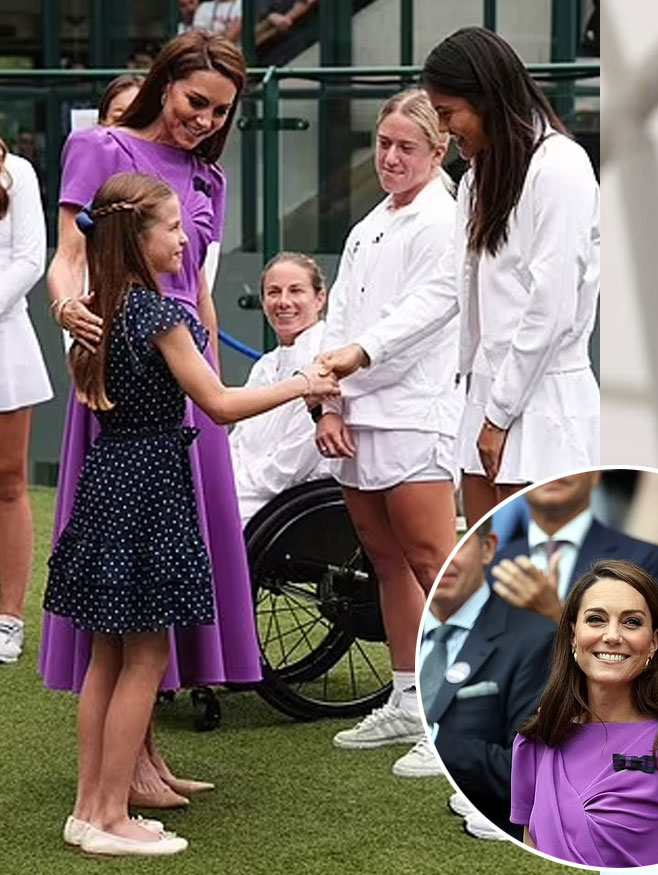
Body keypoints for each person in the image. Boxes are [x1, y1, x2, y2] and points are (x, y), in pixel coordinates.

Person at [45, 171, 338, 856]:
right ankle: (110, 817)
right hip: (149, 486)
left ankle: (90, 808)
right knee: (144, 653)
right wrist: (304, 382)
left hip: (108, 481)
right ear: (139, 236)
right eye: (174, 227)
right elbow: (221, 404)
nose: (187, 239)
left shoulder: (97, 310)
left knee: (108, 655)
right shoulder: (158, 314)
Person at [41, 30, 252, 810]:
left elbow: (196, 288)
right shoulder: (97, 147)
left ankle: (147, 759)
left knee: (157, 591)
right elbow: (69, 255)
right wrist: (67, 308)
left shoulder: (209, 178)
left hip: (187, 393)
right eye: (196, 101)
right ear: (167, 83)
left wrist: (216, 398)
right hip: (123, 390)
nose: (203, 120)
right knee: (127, 590)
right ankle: (121, 775)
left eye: (220, 112)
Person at [313, 88, 460, 772]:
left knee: (438, 565)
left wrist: (354, 360)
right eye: (384, 144)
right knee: (386, 558)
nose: (391, 157)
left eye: (408, 147)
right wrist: (332, 403)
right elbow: (339, 313)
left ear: (440, 150)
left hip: (417, 413)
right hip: (358, 415)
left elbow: (427, 311)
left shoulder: (444, 221)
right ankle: (408, 698)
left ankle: (456, 716)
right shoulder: (367, 224)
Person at [422, 27, 601, 527]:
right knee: (495, 582)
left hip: (545, 404)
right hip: (486, 398)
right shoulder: (478, 177)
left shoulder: (561, 167)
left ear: (487, 99)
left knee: (550, 588)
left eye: (447, 113)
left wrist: (498, 415)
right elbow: (451, 288)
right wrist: (363, 352)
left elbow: (553, 305)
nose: (443, 130)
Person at [511, 559, 658, 867]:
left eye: (631, 622)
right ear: (573, 634)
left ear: (653, 642)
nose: (613, 635)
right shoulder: (535, 741)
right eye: (596, 619)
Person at [412, 517, 555, 842]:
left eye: (457, 542)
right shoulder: (411, 630)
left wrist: (435, 737)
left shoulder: (534, 639)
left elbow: (530, 772)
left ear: (487, 548)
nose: (443, 558)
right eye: (431, 543)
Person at [489, 471, 658, 623]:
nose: (554, 472)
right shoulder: (493, 564)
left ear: (596, 476)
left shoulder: (646, 560)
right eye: (541, 462)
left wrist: (555, 615)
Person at [229, 252, 330, 525]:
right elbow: (238, 440)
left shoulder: (326, 357)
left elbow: (295, 460)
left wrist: (235, 489)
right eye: (273, 292)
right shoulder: (265, 365)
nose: (283, 302)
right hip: (247, 488)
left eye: (296, 290)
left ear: (320, 298)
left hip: (288, 501)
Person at [0, 137, 52, 665]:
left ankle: (8, 619)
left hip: (5, 346)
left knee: (9, 481)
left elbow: (31, 260)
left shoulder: (17, 172)